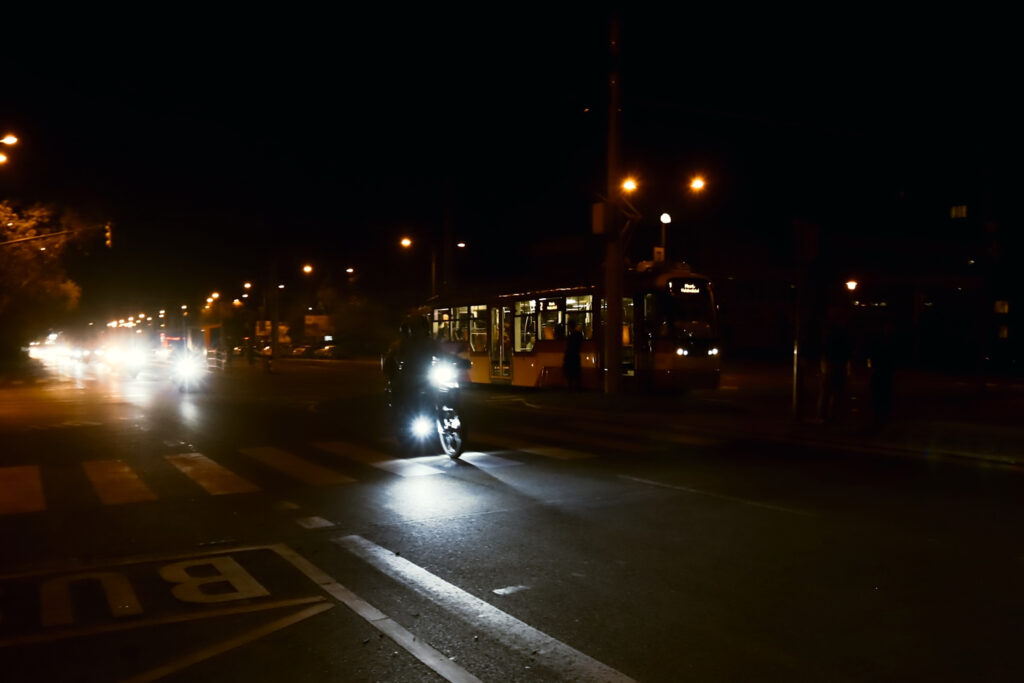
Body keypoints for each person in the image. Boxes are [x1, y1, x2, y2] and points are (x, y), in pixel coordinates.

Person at [562, 318, 583, 391]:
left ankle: (570, 388)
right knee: (577, 373)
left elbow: (569, 347)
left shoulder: (571, 336)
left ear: (570, 326)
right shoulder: (579, 334)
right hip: (576, 356)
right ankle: (578, 388)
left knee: (570, 373)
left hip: (571, 357)